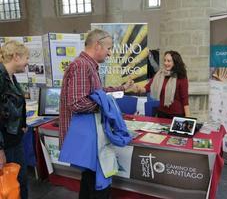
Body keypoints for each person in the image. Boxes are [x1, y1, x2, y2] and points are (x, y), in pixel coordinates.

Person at [59, 29, 134, 199]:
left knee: (90, 179)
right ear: (97, 45)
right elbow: (77, 103)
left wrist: (122, 88)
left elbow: (97, 92)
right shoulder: (81, 65)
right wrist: (107, 106)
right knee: (96, 184)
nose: (110, 52)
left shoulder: (88, 66)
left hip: (89, 134)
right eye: (109, 48)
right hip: (86, 136)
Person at [0, 40, 29, 199]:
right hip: (4, 142)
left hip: (15, 138)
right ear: (16, 57)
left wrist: (23, 124)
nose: (28, 61)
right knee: (9, 186)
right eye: (26, 57)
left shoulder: (12, 78)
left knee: (20, 179)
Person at [136, 50, 190, 119]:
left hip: (177, 115)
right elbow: (147, 88)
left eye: (168, 61)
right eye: (164, 60)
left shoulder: (181, 77)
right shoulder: (160, 74)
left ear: (175, 62)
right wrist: (137, 88)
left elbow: (185, 100)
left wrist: (188, 119)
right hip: (161, 114)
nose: (165, 63)